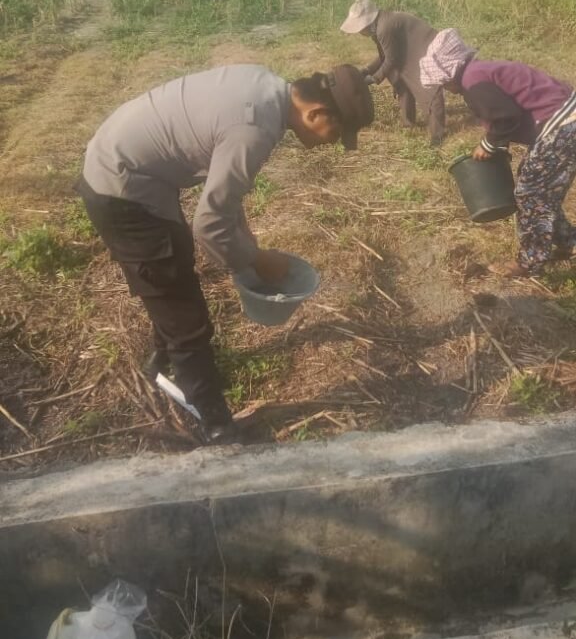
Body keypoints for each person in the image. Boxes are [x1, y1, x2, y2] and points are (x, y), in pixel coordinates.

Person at [77, 64, 374, 441]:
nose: (333, 143)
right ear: (316, 113)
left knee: (173, 267)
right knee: (183, 310)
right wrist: (256, 260)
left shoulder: (265, 87)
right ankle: (215, 426)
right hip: (120, 186)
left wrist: (246, 241)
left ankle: (162, 358)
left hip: (132, 164)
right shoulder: (255, 128)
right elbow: (209, 225)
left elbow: (226, 189)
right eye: (338, 132)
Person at [420, 30, 576, 278]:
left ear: (450, 71)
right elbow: (508, 113)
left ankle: (529, 262)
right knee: (537, 186)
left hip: (565, 126)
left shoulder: (473, 83)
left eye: (443, 82)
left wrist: (489, 145)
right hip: (574, 120)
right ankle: (569, 242)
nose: (446, 88)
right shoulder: (479, 72)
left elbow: (505, 118)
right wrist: (496, 144)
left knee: (531, 193)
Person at [341, 0, 445, 146]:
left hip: (426, 47)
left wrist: (374, 78)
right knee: (401, 82)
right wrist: (366, 70)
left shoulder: (384, 28)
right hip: (410, 49)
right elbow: (384, 55)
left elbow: (391, 60)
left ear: (367, 22)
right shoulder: (379, 26)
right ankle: (409, 124)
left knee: (429, 89)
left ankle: (438, 135)